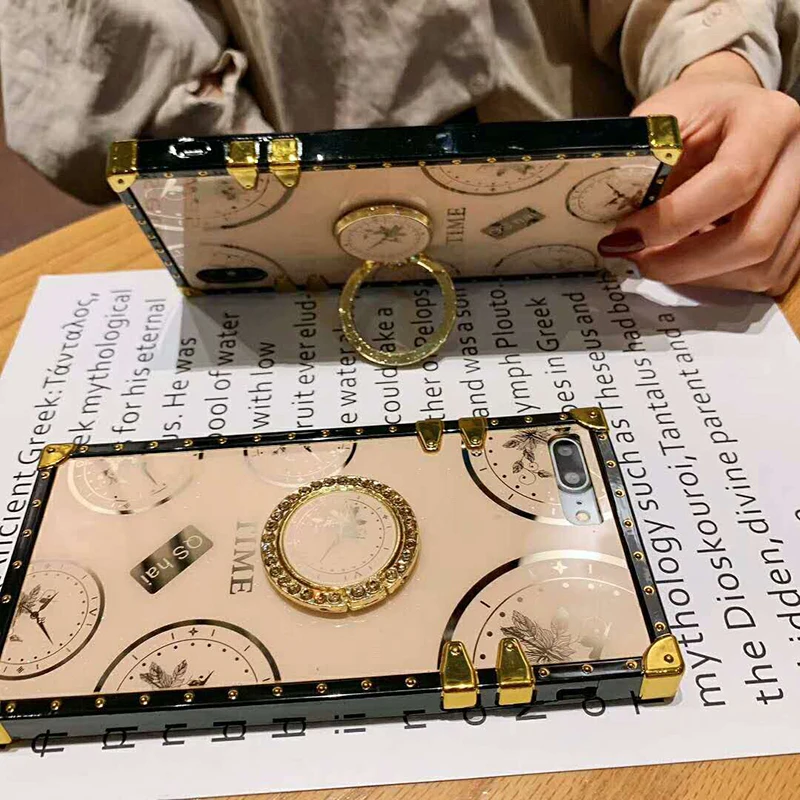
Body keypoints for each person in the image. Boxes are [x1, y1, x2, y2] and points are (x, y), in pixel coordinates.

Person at [2, 0, 799, 295]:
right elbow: (114, 43)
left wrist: (716, 65)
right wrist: (262, 210)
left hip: (630, 201)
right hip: (303, 227)